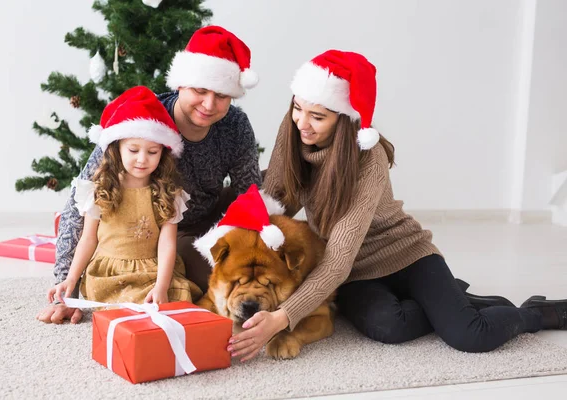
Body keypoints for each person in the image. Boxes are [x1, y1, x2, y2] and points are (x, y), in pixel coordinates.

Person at [228, 50, 567, 361]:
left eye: (317, 116)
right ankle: (454, 303)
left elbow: (339, 257)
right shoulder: (293, 134)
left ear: (344, 120)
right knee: (390, 327)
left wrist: (281, 318)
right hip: (357, 273)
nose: (302, 122)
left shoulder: (368, 157)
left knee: (469, 335)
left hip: (405, 255)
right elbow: (272, 207)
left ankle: (536, 312)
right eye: (297, 108)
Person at [37, 25, 262, 324]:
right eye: (200, 90)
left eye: (221, 95)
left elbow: (250, 193)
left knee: (239, 270)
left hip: (210, 215)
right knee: (205, 284)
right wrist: (68, 286)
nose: (209, 104)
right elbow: (83, 193)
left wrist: (243, 251)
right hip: (160, 228)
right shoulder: (140, 120)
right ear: (181, 84)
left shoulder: (235, 125)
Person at [46, 85, 202, 308]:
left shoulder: (168, 193)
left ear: (163, 153)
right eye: (133, 150)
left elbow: (167, 244)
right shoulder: (99, 189)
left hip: (152, 271)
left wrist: (160, 286)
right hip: (109, 274)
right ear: (117, 148)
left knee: (179, 295)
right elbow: (88, 239)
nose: (142, 159)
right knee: (127, 303)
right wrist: (70, 279)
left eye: (152, 152)